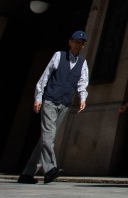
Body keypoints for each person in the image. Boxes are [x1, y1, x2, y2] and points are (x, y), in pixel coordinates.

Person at [17, 31, 89, 185]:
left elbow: (83, 82)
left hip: (65, 104)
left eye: (82, 42)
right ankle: (50, 169)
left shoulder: (83, 63)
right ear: (70, 42)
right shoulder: (58, 56)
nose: (79, 44)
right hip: (50, 101)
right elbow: (45, 76)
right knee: (49, 135)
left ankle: (27, 173)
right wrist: (38, 97)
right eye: (76, 41)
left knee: (46, 137)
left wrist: (83, 98)